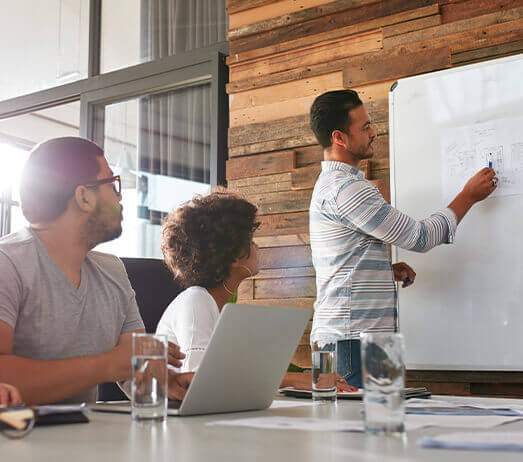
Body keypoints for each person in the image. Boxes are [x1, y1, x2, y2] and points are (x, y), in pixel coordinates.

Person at [309, 90, 497, 388]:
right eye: (365, 127)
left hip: (355, 338)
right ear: (339, 138)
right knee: (366, 430)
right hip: (354, 341)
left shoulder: (334, 185)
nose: (373, 133)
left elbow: (344, 260)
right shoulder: (347, 190)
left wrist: (383, 272)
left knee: (379, 429)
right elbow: (420, 237)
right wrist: (467, 196)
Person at [0, 137, 191, 405]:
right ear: (84, 197)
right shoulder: (7, 263)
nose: (120, 196)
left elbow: (131, 366)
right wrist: (106, 364)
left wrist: (168, 383)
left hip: (86, 439)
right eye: (113, 184)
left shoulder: (112, 271)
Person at [156, 190, 355, 391]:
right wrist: (295, 379)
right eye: (250, 241)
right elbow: (198, 382)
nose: (257, 246)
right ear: (234, 255)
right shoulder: (196, 300)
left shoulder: (217, 306)